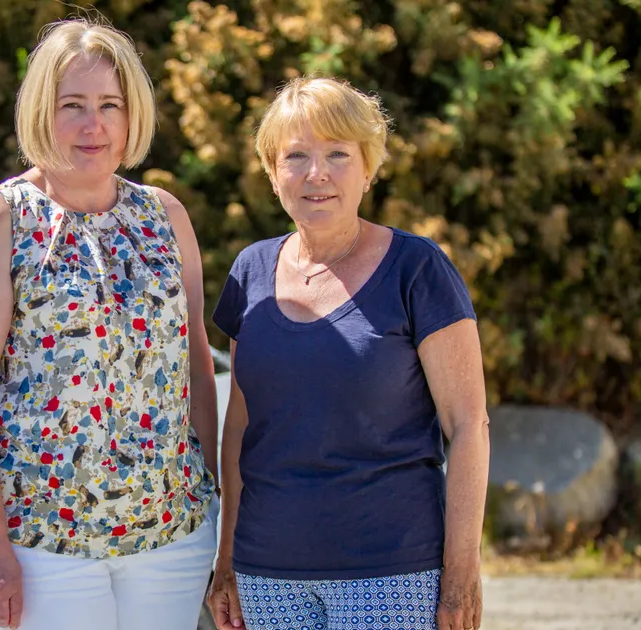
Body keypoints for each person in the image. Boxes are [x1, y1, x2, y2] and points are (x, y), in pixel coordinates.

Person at [0, 17, 219, 630]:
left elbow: (194, 364)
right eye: (74, 106)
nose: (95, 125)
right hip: (36, 546)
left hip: (169, 541)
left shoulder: (165, 216)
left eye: (110, 104)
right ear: (41, 112)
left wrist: (212, 500)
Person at [205, 76, 490, 630]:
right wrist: (226, 563)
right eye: (296, 156)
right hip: (268, 576)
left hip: (393, 573)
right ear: (272, 172)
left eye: (338, 153)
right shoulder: (250, 271)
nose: (317, 173)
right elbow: (240, 425)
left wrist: (461, 572)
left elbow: (468, 424)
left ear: (368, 167)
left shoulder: (418, 269)